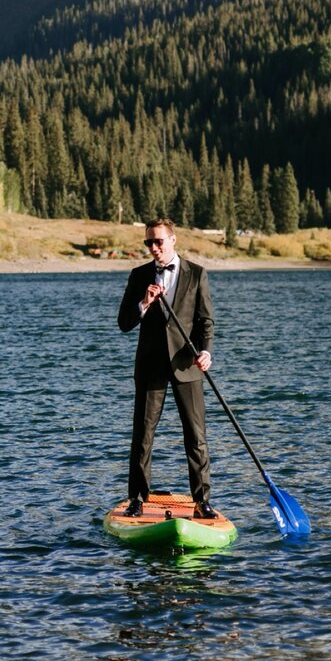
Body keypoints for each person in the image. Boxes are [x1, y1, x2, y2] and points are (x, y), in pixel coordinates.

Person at [117, 217, 216, 519]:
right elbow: (124, 322)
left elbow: (205, 322)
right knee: (143, 436)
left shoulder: (196, 274)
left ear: (173, 240)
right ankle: (137, 499)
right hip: (150, 368)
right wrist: (144, 304)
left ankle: (202, 501)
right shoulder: (139, 276)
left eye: (158, 241)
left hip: (187, 366)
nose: (153, 247)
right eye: (148, 242)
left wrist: (206, 351)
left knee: (196, 436)